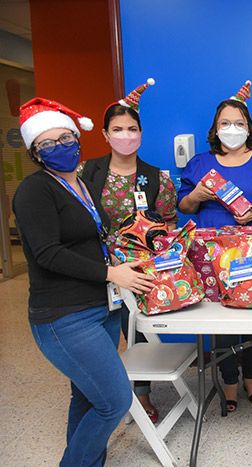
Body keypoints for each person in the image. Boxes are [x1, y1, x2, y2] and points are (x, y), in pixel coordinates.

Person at [13, 98, 155, 466]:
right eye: (47, 143)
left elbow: (93, 240)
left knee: (89, 398)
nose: (59, 146)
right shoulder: (34, 190)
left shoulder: (85, 185)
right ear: (35, 153)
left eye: (65, 138)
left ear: (77, 139)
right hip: (64, 316)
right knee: (114, 401)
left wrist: (122, 262)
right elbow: (48, 253)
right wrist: (111, 274)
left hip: (100, 307)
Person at [178, 81, 252, 412]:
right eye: (225, 123)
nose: (232, 129)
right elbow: (183, 207)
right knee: (221, 320)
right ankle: (229, 379)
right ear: (215, 128)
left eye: (239, 123)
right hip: (212, 255)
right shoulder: (200, 163)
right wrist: (196, 195)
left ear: (249, 127)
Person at [79, 78, 178, 423]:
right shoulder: (85, 173)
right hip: (96, 268)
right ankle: (99, 397)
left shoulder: (157, 178)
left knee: (137, 333)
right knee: (96, 335)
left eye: (131, 129)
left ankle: (142, 395)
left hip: (138, 270)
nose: (125, 135)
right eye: (117, 129)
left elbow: (168, 225)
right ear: (105, 134)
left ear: (141, 133)